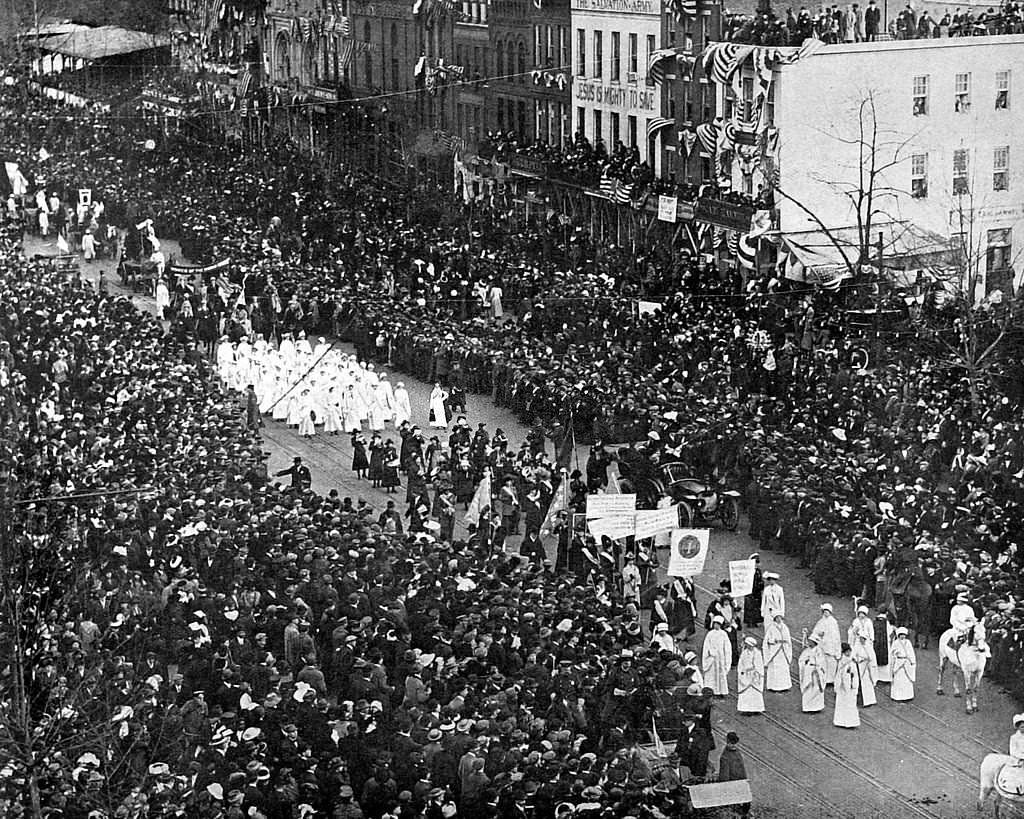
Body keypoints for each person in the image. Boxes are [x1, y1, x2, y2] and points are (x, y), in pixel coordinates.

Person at [848, 606, 877, 707]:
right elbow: (852, 634)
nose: (861, 615)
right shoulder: (855, 622)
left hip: (865, 667)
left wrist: (869, 640)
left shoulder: (868, 622)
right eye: (860, 613)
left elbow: (871, 634)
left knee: (866, 682)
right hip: (858, 665)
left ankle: (868, 700)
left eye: (863, 614)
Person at [811, 603, 842, 685]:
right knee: (823, 661)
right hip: (823, 644)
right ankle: (823, 677)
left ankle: (831, 679)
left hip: (831, 644)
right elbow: (816, 631)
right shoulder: (821, 621)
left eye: (827, 611)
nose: (826, 613)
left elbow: (836, 635)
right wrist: (818, 635)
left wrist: (836, 646)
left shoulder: (833, 622)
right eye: (824, 611)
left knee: (831, 661)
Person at [702, 616, 732, 696]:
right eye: (715, 624)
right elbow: (706, 646)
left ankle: (721, 691)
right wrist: (709, 653)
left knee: (720, 675)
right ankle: (711, 690)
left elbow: (727, 648)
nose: (716, 626)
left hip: (720, 658)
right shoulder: (710, 634)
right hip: (711, 659)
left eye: (718, 624)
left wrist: (726, 659)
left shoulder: (723, 634)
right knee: (711, 675)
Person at [763, 614, 792, 692]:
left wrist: (787, 647)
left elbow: (788, 640)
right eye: (777, 618)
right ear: (775, 619)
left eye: (780, 618)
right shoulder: (771, 628)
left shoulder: (785, 628)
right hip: (775, 651)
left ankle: (785, 685)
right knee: (775, 668)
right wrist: (773, 641)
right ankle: (774, 686)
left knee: (783, 668)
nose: (779, 619)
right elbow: (766, 641)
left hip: (783, 651)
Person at [833, 644, 860, 728]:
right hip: (843, 687)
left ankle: (851, 722)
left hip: (851, 685)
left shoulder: (852, 661)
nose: (848, 653)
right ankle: (840, 721)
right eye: (846, 652)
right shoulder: (842, 662)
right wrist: (837, 686)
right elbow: (838, 674)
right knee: (842, 703)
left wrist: (855, 685)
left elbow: (855, 674)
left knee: (851, 703)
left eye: (849, 651)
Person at [736, 637, 765, 715]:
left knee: (754, 692)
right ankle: (746, 709)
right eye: (747, 645)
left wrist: (757, 673)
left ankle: (756, 709)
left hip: (754, 675)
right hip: (746, 675)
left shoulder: (757, 653)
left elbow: (759, 665)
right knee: (746, 692)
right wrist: (742, 672)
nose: (748, 646)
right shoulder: (744, 653)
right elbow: (741, 664)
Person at [798, 633, 826, 713]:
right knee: (809, 688)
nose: (809, 642)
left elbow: (822, 662)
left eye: (810, 641)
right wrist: (805, 663)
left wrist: (817, 665)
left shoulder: (819, 651)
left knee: (817, 689)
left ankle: (817, 707)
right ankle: (808, 707)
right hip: (808, 672)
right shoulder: (806, 651)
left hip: (817, 672)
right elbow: (801, 661)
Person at [889, 627, 917, 702]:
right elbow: (891, 653)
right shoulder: (895, 642)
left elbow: (911, 653)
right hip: (899, 662)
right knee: (899, 679)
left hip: (906, 663)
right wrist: (895, 655)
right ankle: (898, 696)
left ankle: (907, 696)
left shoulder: (908, 642)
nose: (902, 636)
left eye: (904, 635)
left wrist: (912, 662)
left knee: (906, 680)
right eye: (901, 635)